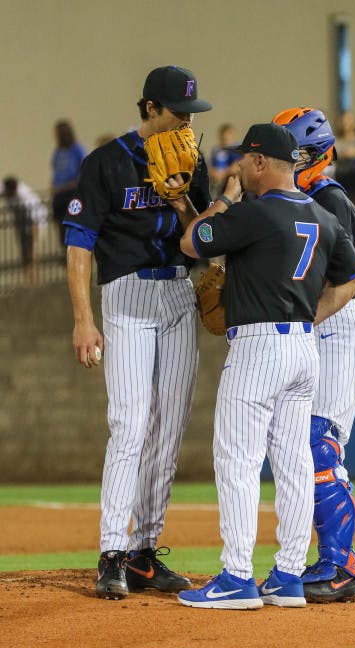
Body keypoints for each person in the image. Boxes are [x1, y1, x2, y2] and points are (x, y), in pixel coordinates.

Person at [171, 123, 355, 609]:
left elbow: (193, 243)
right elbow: (353, 280)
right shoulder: (323, 216)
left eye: (242, 161)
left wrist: (224, 202)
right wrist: (306, 316)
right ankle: (288, 576)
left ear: (260, 162)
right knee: (294, 462)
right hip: (304, 349)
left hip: (258, 348)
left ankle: (237, 576)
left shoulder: (254, 214)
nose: (237, 168)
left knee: (237, 459)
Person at [62, 65, 213, 600]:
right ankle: (111, 554)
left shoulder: (191, 161)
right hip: (125, 296)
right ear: (150, 108)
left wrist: (182, 200)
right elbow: (79, 244)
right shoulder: (105, 164)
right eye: (179, 113)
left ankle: (146, 551)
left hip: (176, 292)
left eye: (192, 115)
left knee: (168, 428)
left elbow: (201, 240)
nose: (187, 123)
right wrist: (84, 320)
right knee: (129, 425)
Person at [273, 107, 355, 602]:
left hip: (336, 325)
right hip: (311, 329)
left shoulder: (328, 198)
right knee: (294, 446)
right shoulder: (292, 198)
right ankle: (313, 558)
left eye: (293, 151)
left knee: (319, 441)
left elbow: (343, 281)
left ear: (316, 154)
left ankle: (341, 564)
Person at [2, 175, 46, 282]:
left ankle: (35, 280)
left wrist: (35, 239)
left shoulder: (27, 198)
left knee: (32, 252)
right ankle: (27, 279)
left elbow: (36, 220)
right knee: (24, 251)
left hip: (37, 221)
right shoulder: (5, 190)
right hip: (21, 222)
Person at [51, 119, 88, 245]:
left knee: (73, 228)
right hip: (59, 197)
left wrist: (67, 186)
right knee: (61, 231)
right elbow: (55, 171)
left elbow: (83, 171)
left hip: (72, 194)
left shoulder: (77, 150)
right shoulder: (57, 152)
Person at [208, 123, 241, 197]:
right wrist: (215, 174)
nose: (225, 141)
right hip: (217, 186)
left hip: (231, 184)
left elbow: (238, 167)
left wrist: (223, 174)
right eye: (223, 139)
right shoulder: (216, 150)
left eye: (227, 139)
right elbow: (210, 167)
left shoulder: (237, 149)